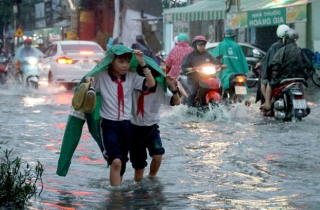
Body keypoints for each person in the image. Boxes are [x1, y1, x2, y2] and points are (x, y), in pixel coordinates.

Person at [92, 47, 155, 186]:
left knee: (122, 163)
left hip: (126, 125)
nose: (125, 65)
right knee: (115, 161)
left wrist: (142, 63)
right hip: (108, 124)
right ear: (111, 61)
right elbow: (88, 90)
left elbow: (151, 84)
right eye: (120, 61)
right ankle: (116, 198)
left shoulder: (131, 77)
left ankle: (117, 192)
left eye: (127, 61)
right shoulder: (101, 76)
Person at [130, 67, 180, 181]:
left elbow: (176, 102)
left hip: (152, 129)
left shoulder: (158, 88)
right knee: (139, 167)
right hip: (134, 129)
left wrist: (173, 87)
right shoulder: (133, 87)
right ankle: (138, 188)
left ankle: (152, 178)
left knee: (158, 155)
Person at [262, 29, 313, 112]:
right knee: (303, 87)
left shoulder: (282, 51)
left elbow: (275, 64)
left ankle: (267, 103)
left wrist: (273, 73)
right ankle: (304, 103)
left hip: (285, 78)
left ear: (286, 38)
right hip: (299, 78)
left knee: (269, 83)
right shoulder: (300, 50)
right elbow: (308, 65)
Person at [181, 35, 222, 107]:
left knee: (219, 87)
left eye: (203, 44)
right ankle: (189, 109)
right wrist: (188, 69)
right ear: (195, 45)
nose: (202, 46)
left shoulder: (208, 55)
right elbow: (184, 66)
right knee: (193, 93)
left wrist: (220, 65)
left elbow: (214, 62)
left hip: (207, 78)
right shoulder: (190, 56)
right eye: (200, 44)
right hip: (194, 79)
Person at [256, 24, 290, 106]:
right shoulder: (293, 46)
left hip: (278, 75)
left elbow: (269, 60)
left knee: (264, 82)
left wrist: (261, 64)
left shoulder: (275, 46)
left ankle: (268, 102)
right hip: (290, 74)